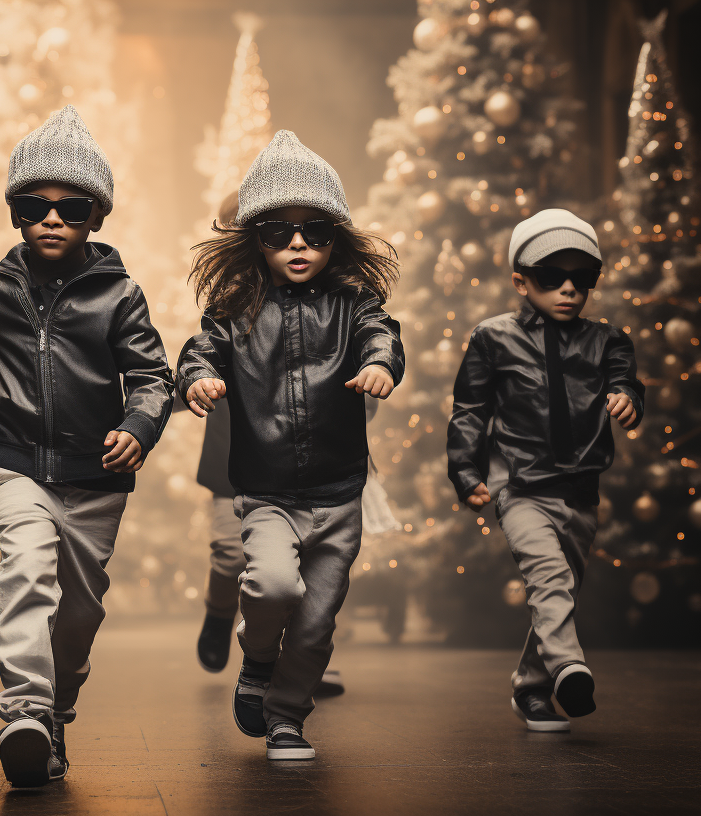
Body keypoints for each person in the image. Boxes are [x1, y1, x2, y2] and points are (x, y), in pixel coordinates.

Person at [0, 106, 174, 787]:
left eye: (72, 207)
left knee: (80, 609)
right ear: (16, 213)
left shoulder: (120, 295)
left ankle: (57, 706)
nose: (53, 218)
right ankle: (24, 711)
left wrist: (137, 426)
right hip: (17, 465)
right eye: (35, 205)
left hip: (97, 475)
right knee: (25, 575)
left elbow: (154, 376)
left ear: (97, 215)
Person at [177, 131, 404, 761]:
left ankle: (285, 719)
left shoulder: (355, 304)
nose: (298, 244)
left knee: (315, 623)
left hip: (338, 495)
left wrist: (382, 364)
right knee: (273, 586)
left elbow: (383, 335)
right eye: (278, 232)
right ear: (254, 241)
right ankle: (256, 662)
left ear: (339, 237)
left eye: (315, 231)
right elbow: (201, 347)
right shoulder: (236, 308)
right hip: (268, 492)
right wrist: (196, 375)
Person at [447, 209, 642, 732]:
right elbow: (470, 409)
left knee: (559, 591)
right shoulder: (493, 338)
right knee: (548, 576)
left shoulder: (607, 341)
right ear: (521, 281)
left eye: (583, 279)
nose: (569, 290)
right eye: (552, 277)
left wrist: (625, 397)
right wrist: (466, 473)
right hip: (520, 485)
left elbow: (626, 380)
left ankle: (533, 688)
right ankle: (569, 667)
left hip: (581, 489)